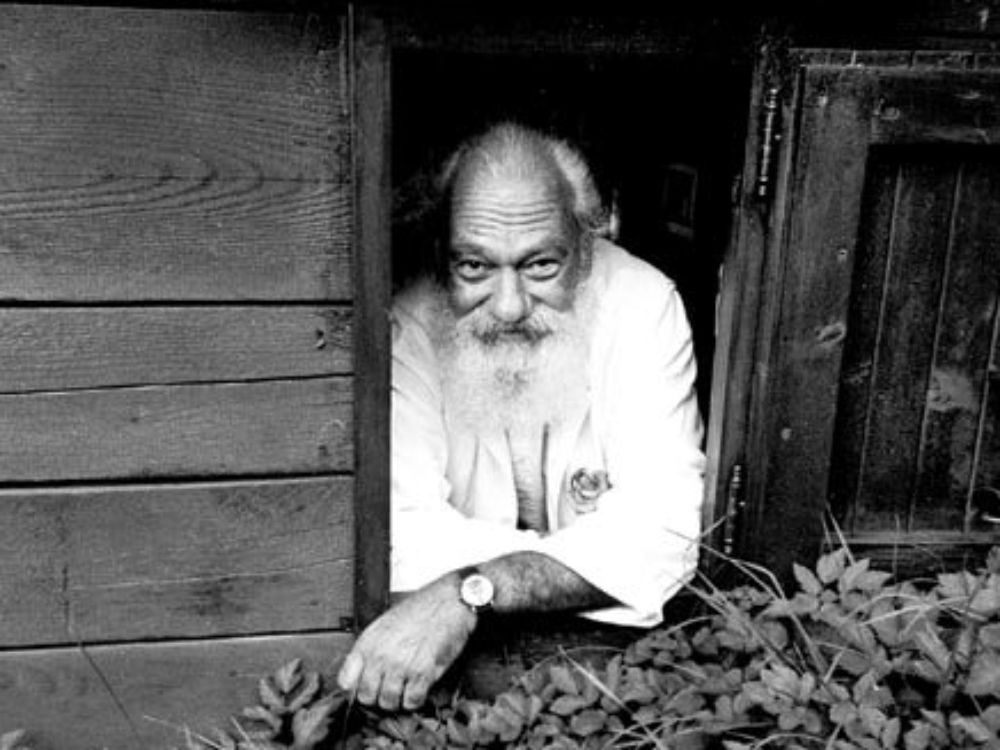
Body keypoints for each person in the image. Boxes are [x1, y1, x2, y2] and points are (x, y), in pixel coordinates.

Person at [337, 122, 705, 711]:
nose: (509, 307)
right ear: (442, 252)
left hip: (616, 678)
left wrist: (471, 590)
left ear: (585, 246)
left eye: (539, 266)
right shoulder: (409, 321)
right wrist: (586, 561)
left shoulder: (643, 303)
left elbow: (662, 537)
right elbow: (400, 536)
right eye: (474, 267)